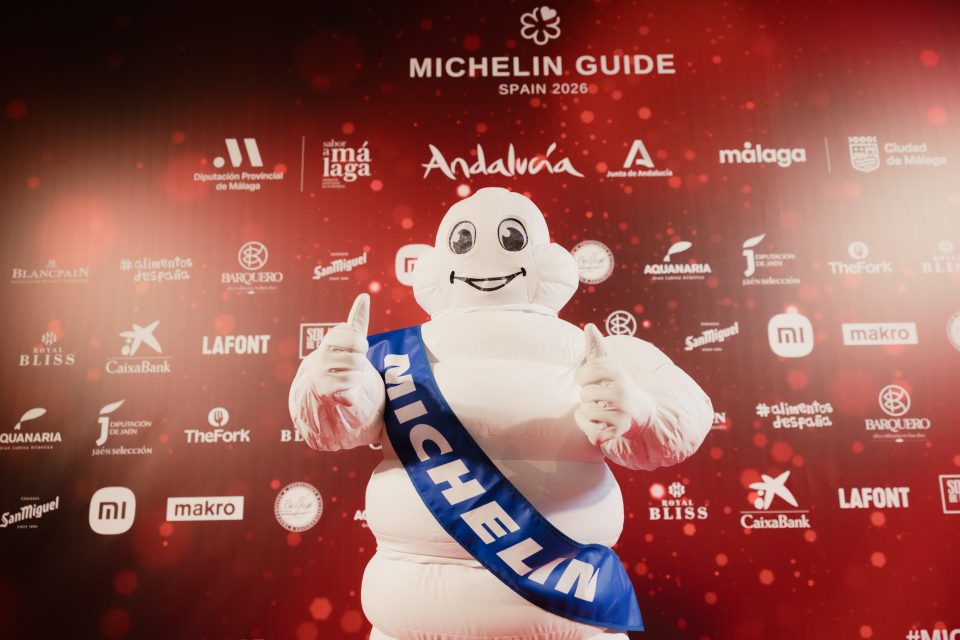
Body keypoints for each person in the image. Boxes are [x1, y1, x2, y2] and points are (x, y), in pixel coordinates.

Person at [289, 187, 713, 640]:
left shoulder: (595, 351)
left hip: (565, 606)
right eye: (465, 241)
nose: (487, 256)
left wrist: (641, 410)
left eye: (512, 240)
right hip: (415, 615)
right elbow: (331, 427)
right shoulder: (391, 356)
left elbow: (685, 411)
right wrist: (331, 385)